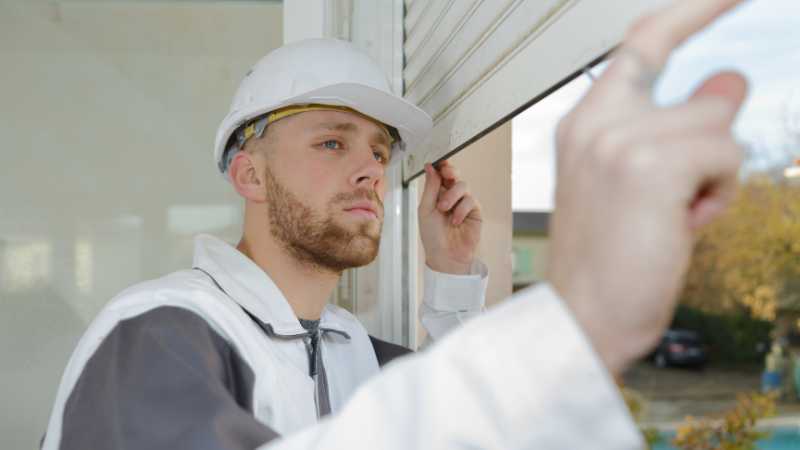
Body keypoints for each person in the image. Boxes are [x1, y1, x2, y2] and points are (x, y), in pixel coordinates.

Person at [42, 0, 749, 448]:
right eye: (332, 142)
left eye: (378, 151)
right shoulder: (155, 332)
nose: (370, 170)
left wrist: (448, 285)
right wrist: (582, 313)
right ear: (249, 176)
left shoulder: (352, 347)